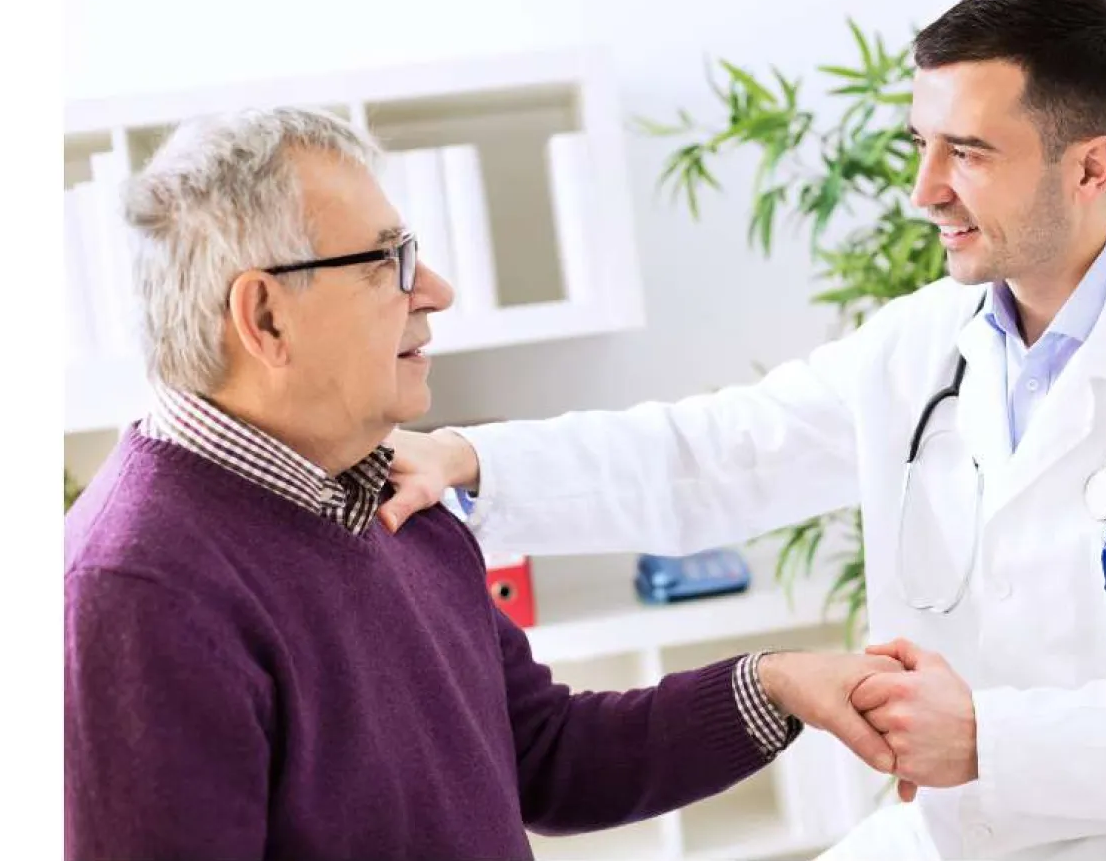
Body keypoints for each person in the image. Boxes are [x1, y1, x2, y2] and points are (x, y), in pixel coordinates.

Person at [380, 0, 1106, 861]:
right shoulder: (920, 345)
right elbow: (716, 453)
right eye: (921, 144)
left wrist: (988, 737)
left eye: (969, 153)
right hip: (968, 828)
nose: (922, 190)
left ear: (1089, 167)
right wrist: (467, 461)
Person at [62, 107, 904, 861]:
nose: (434, 291)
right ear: (266, 317)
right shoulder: (137, 592)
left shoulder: (389, 499)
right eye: (388, 262)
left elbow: (543, 753)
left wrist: (776, 684)